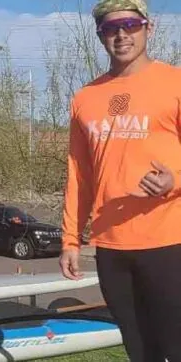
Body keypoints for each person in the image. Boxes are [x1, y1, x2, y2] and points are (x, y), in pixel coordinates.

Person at [61, 1, 181, 360]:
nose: (121, 34)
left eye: (130, 24)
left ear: (149, 27)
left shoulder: (174, 82)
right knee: (138, 348)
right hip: (111, 247)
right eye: (110, 28)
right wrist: (70, 239)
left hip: (168, 240)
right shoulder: (85, 98)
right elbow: (79, 174)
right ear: (100, 36)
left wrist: (175, 180)